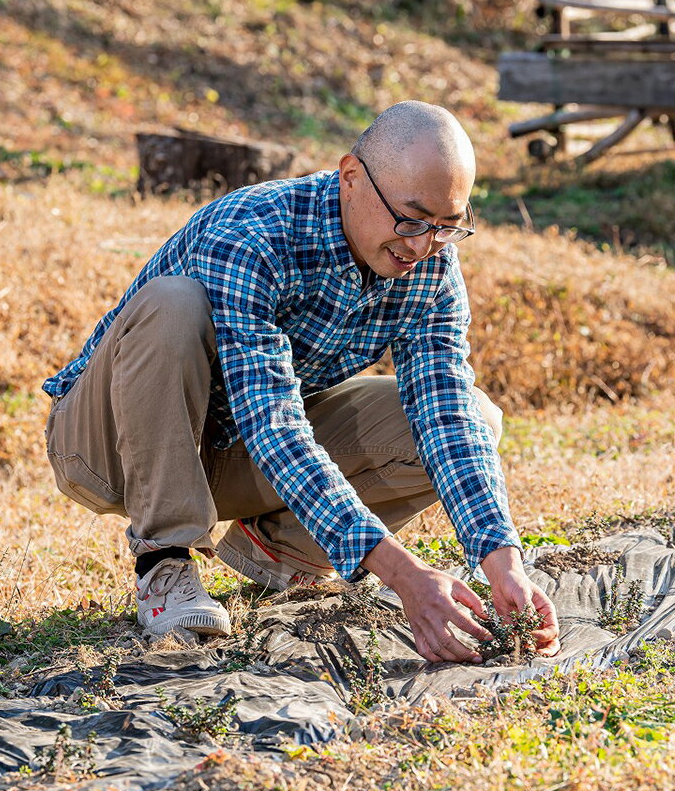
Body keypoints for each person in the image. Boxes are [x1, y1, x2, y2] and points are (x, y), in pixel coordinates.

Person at [43, 101, 560, 663]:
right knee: (174, 304)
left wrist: (503, 560)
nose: (421, 245)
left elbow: (446, 411)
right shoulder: (253, 234)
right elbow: (273, 423)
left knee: (476, 417)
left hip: (226, 454)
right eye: (411, 220)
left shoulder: (431, 265)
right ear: (351, 178)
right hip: (109, 446)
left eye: (447, 225)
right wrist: (403, 574)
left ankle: (280, 552)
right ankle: (164, 558)